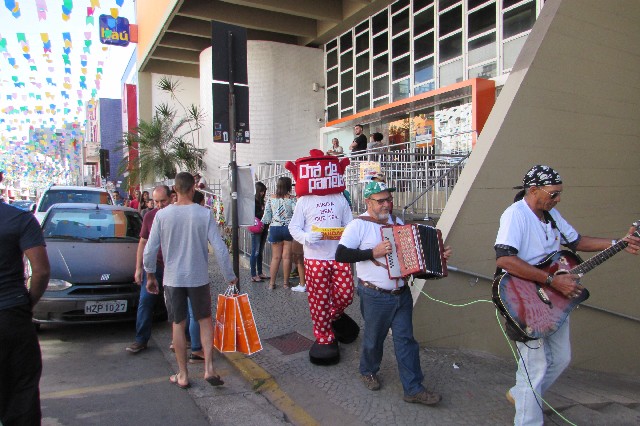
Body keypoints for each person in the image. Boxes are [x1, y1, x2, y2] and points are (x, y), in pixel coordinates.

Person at [495, 165, 640, 425]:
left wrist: (620, 242)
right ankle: (528, 419)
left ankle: (521, 395)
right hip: (524, 299)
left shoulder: (549, 214)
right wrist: (552, 280)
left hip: (553, 299)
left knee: (561, 358)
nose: (557, 199)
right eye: (553, 194)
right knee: (534, 367)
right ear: (533, 190)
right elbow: (505, 258)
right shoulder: (515, 215)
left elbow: (577, 242)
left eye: (559, 193)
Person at [336, 181, 450, 406]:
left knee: (406, 341)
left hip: (401, 294)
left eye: (389, 199)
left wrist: (437, 259)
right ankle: (368, 370)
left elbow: (414, 264)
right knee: (373, 339)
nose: (387, 204)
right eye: (381, 201)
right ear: (368, 202)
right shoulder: (357, 225)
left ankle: (413, 388)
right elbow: (341, 254)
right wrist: (372, 252)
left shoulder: (398, 223)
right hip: (374, 295)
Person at [144, 172, 237, 389]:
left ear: (174, 190)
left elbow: (150, 249)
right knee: (204, 320)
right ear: (193, 188)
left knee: (178, 324)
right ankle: (209, 369)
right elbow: (221, 249)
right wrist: (229, 276)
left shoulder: (162, 215)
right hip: (198, 278)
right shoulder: (203, 214)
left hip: (173, 278)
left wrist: (149, 274)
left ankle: (183, 374)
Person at [286, 149, 357, 365]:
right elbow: (293, 227)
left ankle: (332, 316)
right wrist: (307, 237)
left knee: (346, 294)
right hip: (315, 258)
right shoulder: (304, 201)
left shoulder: (340, 198)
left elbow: (350, 224)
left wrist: (346, 233)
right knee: (317, 299)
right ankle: (324, 337)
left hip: (339, 255)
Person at [0, 170, 51, 426]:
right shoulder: (19, 219)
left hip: (12, 310)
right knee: (22, 391)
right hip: (11, 314)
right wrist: (27, 302)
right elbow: (41, 270)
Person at [126, 185, 172, 354]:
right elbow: (143, 242)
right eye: (156, 201)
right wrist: (139, 268)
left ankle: (185, 339)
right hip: (154, 267)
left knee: (177, 304)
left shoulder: (176, 216)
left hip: (173, 267)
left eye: (163, 201)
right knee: (145, 301)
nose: (159, 205)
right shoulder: (149, 216)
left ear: (172, 198)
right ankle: (141, 339)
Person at [261, 176, 296, 290]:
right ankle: (286, 283)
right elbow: (296, 213)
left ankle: (272, 283)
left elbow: (267, 215)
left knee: (275, 258)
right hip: (288, 228)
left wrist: (267, 223)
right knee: (287, 257)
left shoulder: (271, 198)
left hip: (275, 228)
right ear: (289, 186)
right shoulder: (291, 198)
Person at [250, 182, 269, 282]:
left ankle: (260, 272)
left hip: (264, 227)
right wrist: (264, 212)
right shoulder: (253, 201)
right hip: (257, 228)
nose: (263, 193)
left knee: (260, 252)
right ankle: (253, 274)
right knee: (255, 252)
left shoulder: (262, 201)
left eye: (264, 192)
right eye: (261, 191)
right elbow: (254, 215)